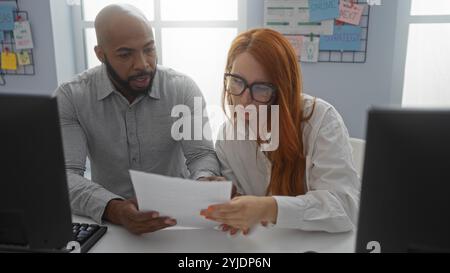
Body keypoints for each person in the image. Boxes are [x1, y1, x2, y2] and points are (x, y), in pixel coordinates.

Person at [54, 4, 220, 235]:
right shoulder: (71, 96)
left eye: (149, 49)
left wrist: (203, 183)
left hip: (175, 222)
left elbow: (200, 154)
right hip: (110, 224)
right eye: (125, 54)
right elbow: (66, 174)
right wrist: (113, 208)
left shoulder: (182, 88)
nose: (142, 64)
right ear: (101, 54)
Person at [201, 28, 360, 234]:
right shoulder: (227, 137)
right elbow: (243, 207)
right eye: (236, 81)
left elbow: (345, 209)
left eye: (260, 88)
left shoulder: (321, 120)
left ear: (283, 90)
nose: (244, 99)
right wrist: (230, 201)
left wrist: (269, 208)